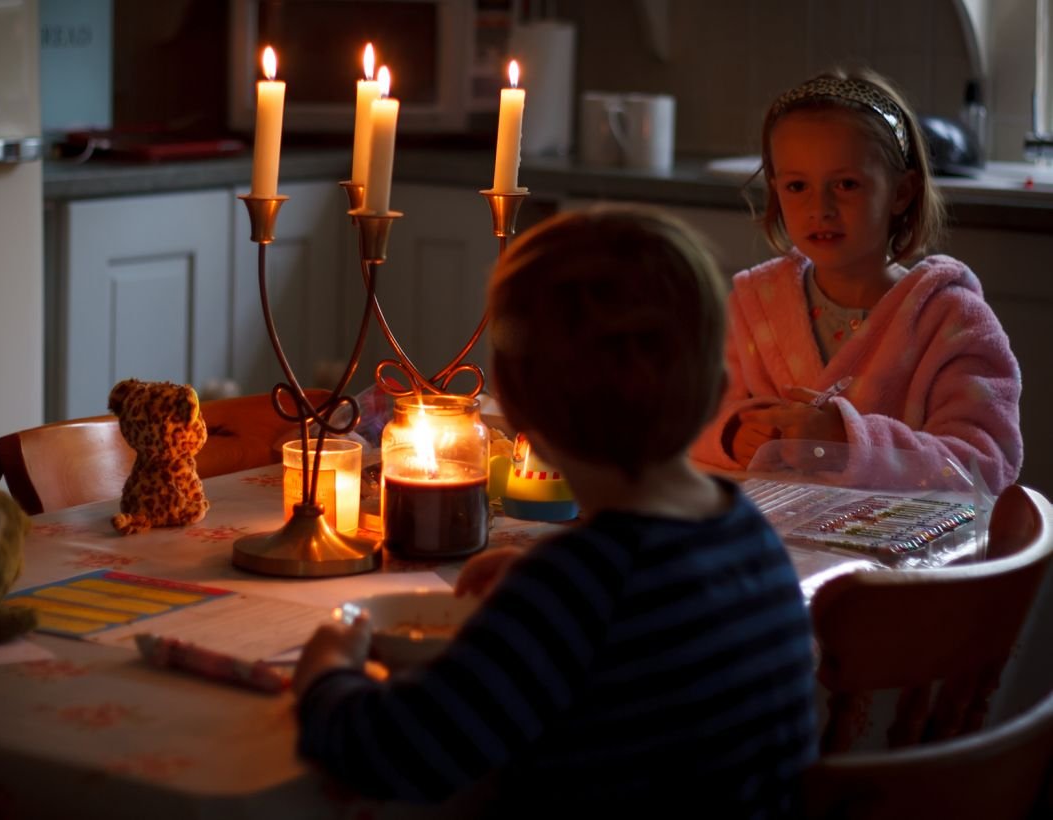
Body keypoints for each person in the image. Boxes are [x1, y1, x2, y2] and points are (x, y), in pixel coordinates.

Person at [293, 205, 817, 816]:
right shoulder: (747, 534)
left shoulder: (581, 585)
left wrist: (326, 667)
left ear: (514, 409)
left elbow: (400, 752)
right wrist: (546, 575)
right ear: (716, 382)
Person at [690, 68, 1022, 490]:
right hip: (777, 543)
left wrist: (847, 442)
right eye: (796, 186)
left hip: (905, 550)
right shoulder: (753, 305)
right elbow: (694, 415)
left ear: (901, 192)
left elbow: (986, 465)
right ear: (775, 190)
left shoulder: (951, 321)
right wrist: (732, 433)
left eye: (846, 184)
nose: (820, 208)